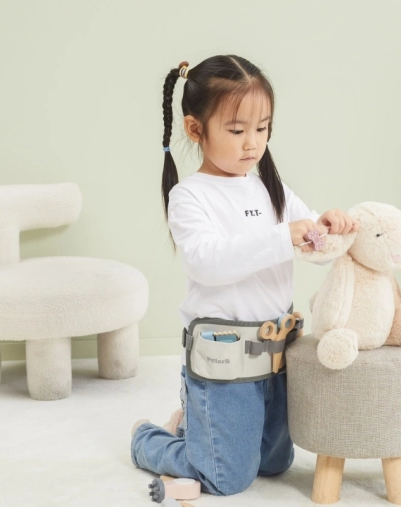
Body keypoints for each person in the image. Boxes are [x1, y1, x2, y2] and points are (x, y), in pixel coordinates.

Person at [129, 55, 359, 497]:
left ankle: (198, 429)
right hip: (224, 361)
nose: (252, 143)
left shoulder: (271, 187)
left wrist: (329, 228)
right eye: (237, 131)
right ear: (195, 129)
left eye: (262, 128)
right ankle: (149, 439)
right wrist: (283, 236)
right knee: (225, 477)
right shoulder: (190, 195)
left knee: (275, 463)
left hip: (276, 357)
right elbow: (207, 262)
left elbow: (312, 245)